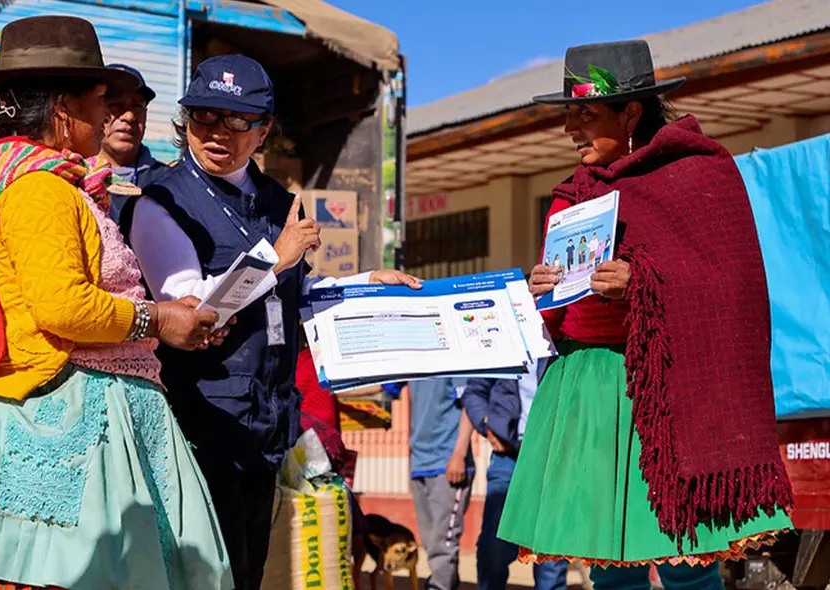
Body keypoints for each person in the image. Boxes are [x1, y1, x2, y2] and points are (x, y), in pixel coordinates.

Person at [0, 17, 232, 590]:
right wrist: (158, 319)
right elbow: (62, 307)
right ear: (64, 109)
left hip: (78, 414)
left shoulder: (54, 185)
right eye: (99, 100)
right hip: (55, 420)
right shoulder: (38, 191)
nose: (109, 114)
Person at [117, 54, 421, 590]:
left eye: (237, 121)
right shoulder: (160, 203)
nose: (218, 133)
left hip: (268, 423)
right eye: (204, 116)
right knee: (206, 574)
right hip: (200, 424)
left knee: (249, 570)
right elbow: (193, 313)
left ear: (264, 130)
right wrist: (275, 259)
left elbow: (296, 296)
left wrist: (364, 284)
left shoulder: (281, 201)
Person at [497, 40, 793, 589]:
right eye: (568, 113)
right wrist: (539, 292)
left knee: (687, 561)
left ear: (631, 111)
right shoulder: (572, 197)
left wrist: (644, 285)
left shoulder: (697, 177)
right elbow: (562, 316)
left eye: (585, 113)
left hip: (668, 391)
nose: (570, 128)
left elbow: (733, 285)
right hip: (589, 392)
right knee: (611, 572)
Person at [462, 365, 567, 590]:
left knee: (550, 550)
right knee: (493, 546)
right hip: (508, 456)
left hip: (554, 456)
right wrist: (487, 424)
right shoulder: (503, 341)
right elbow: (473, 392)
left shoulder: (561, 339)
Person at [386, 379, 474, 590]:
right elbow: (382, 385)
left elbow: (470, 405)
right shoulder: (413, 360)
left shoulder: (453, 359)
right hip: (420, 464)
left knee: (442, 541)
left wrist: (459, 454)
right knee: (430, 540)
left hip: (448, 464)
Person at [100, 63, 170, 220]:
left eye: (137, 106)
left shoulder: (168, 182)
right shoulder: (76, 175)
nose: (129, 116)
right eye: (116, 106)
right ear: (96, 110)